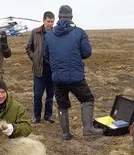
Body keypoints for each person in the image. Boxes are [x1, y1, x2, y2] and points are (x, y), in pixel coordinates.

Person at [44, 5, 103, 140]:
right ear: (71, 17)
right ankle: (88, 128)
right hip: (76, 77)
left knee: (62, 104)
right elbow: (86, 53)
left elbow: (47, 56)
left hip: (58, 78)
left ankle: (65, 133)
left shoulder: (49, 35)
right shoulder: (79, 32)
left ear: (58, 17)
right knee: (87, 99)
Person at [25, 11, 56, 124]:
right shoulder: (35, 32)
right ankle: (36, 116)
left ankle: (48, 115)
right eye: (48, 21)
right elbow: (28, 47)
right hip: (39, 71)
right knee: (38, 95)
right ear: (43, 20)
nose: (50, 24)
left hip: (52, 71)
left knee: (50, 95)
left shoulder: (56, 33)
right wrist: (34, 57)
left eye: (52, 21)